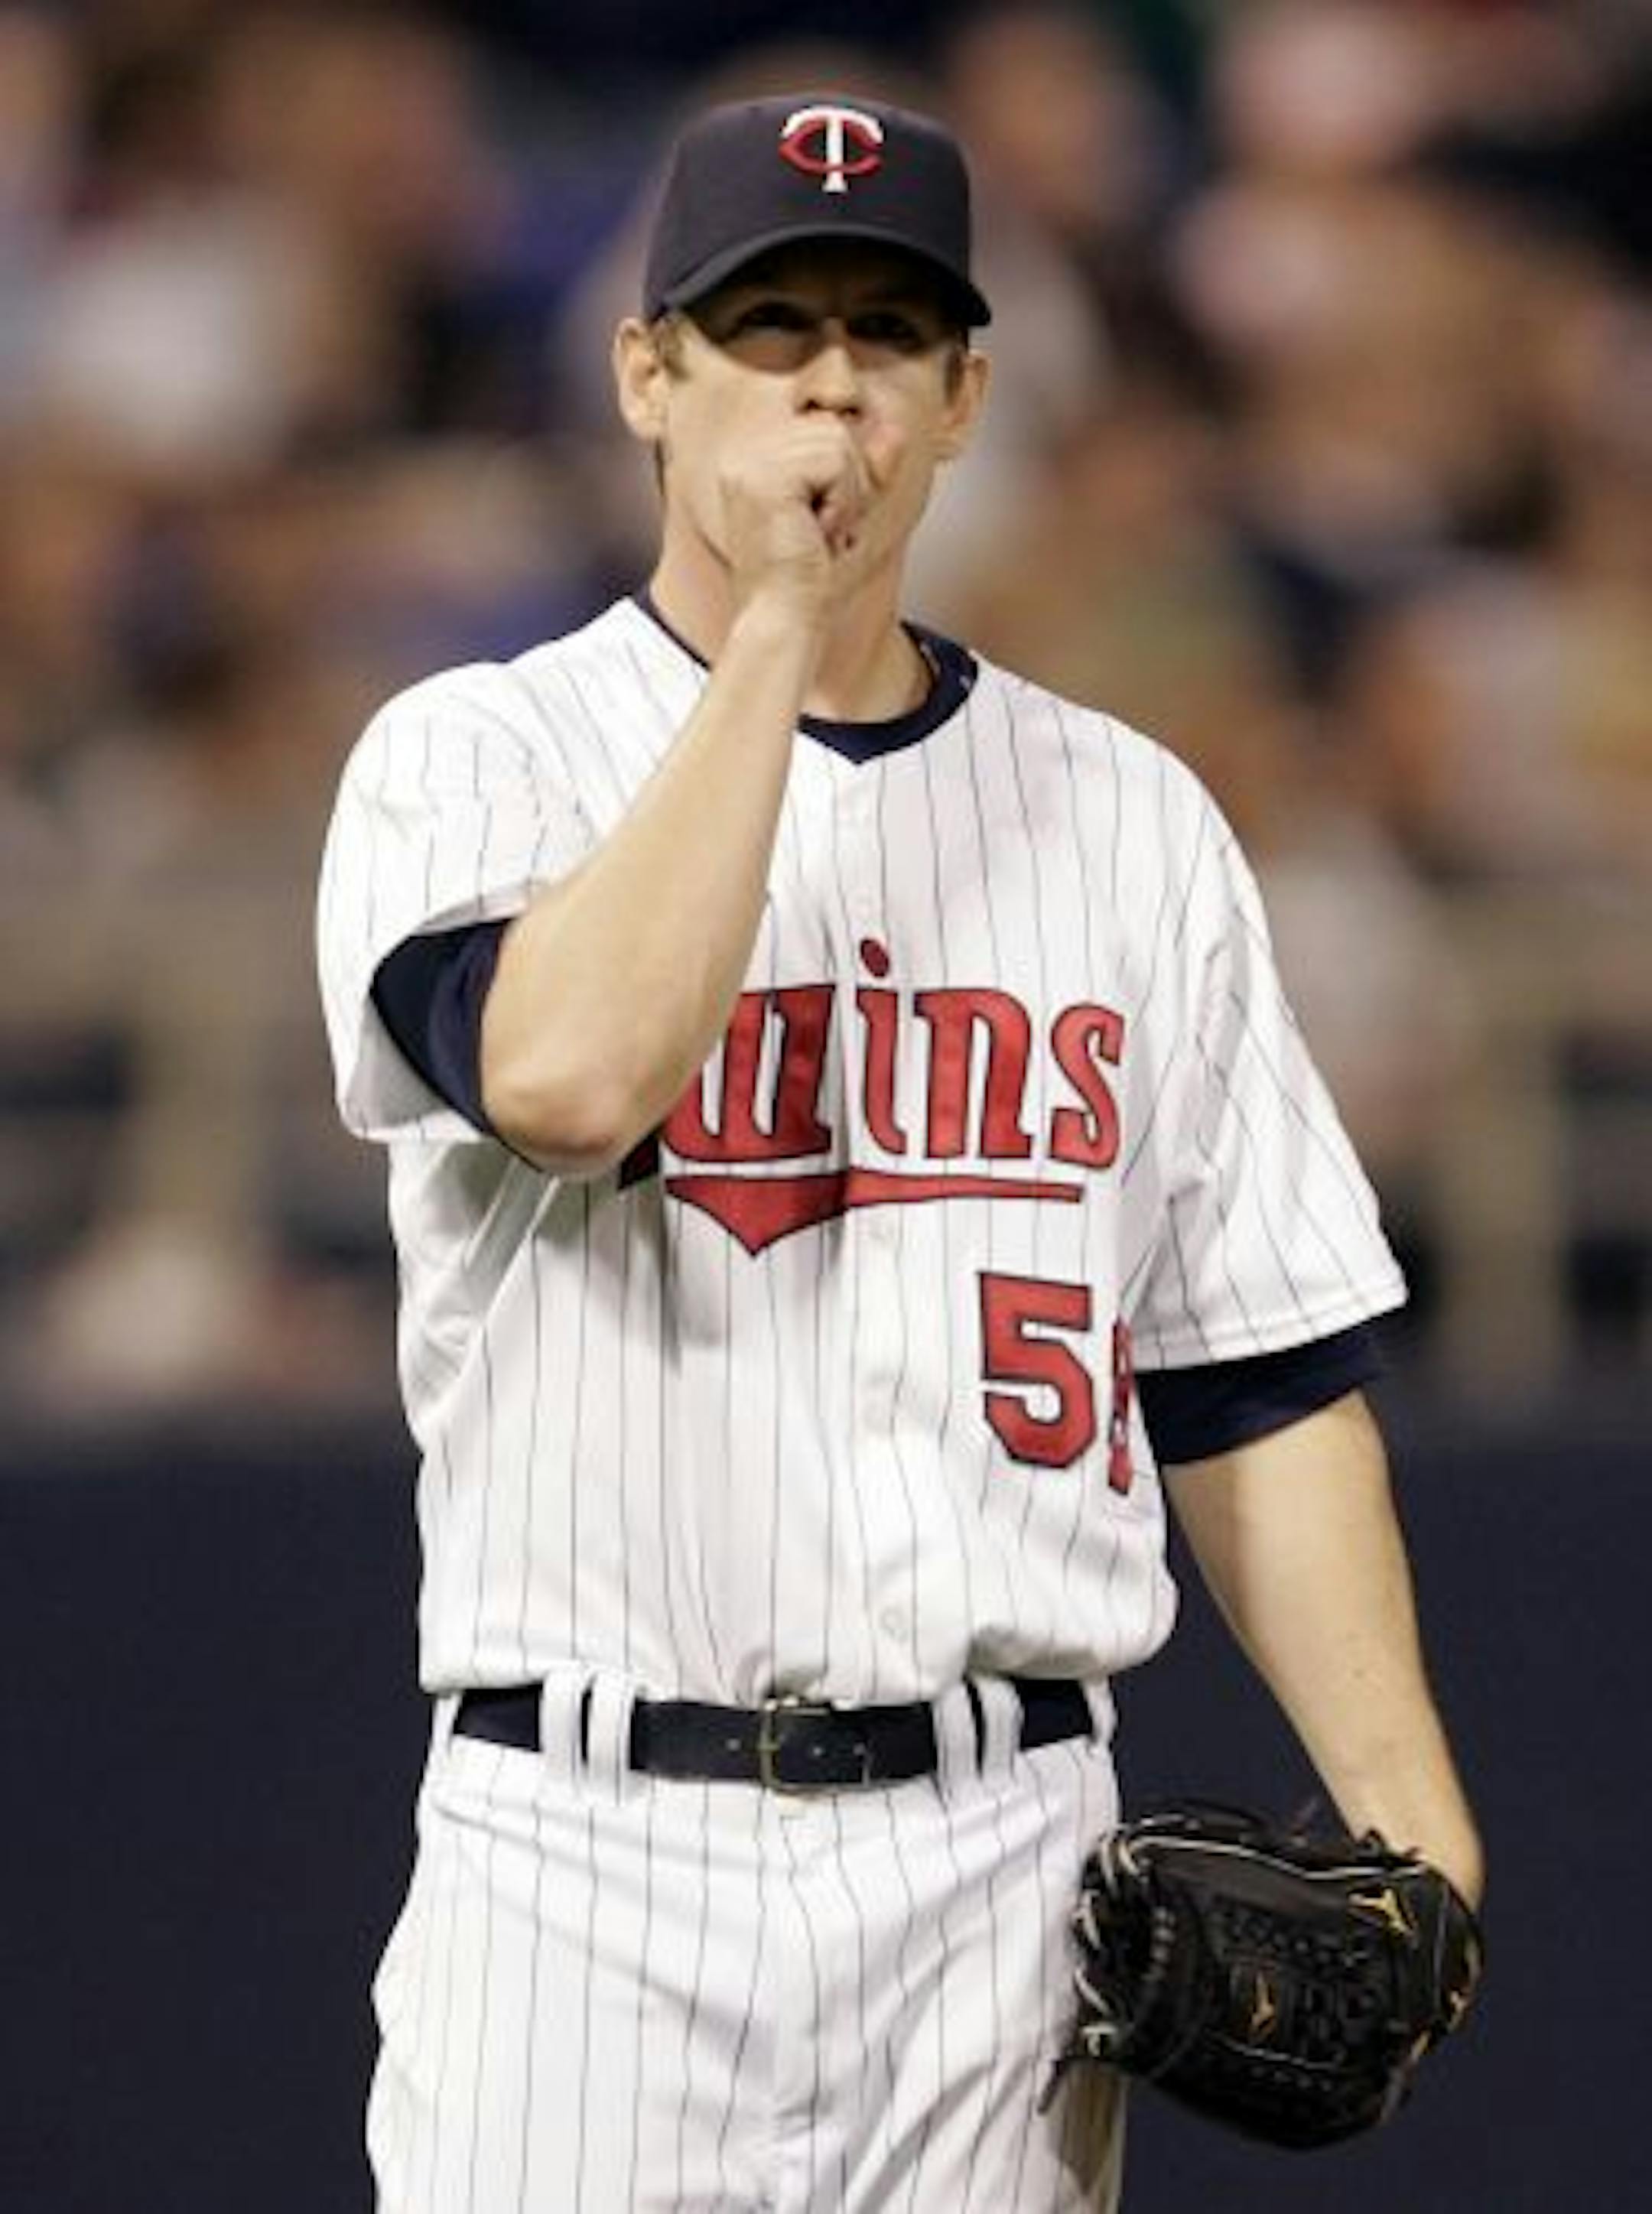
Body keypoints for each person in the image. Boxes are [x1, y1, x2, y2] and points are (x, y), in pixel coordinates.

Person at [316, 89, 1483, 2214]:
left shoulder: (1130, 822)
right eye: (767, 326)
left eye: (887, 325)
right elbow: (571, 1078)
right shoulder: (470, 758)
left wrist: (1421, 1831)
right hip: (588, 1863)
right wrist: (777, 623)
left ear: (967, 399)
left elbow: (1254, 1372)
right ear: (645, 377)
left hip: (1000, 1879)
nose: (830, 378)